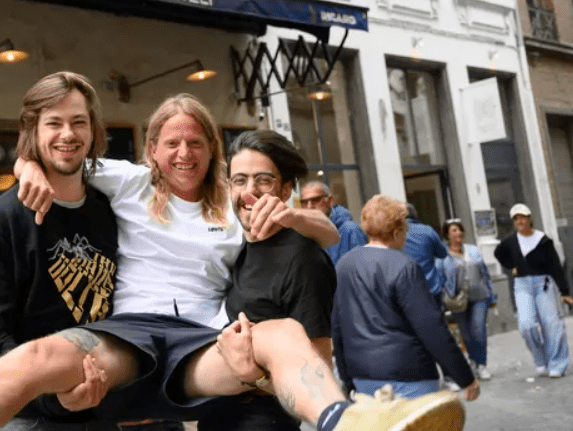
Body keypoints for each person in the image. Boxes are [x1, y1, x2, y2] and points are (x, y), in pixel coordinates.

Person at [0, 94, 468, 431]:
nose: (183, 153)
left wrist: (289, 215)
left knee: (279, 333)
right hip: (127, 332)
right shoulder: (129, 183)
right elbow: (61, 151)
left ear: (211, 150)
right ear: (153, 151)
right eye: (170, 142)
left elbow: (328, 233)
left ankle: (344, 421)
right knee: (42, 354)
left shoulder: (234, 206)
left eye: (196, 142)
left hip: (203, 341)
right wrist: (25, 165)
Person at [0, 71, 119, 430]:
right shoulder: (2, 222)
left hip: (107, 412)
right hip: (32, 418)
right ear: (33, 132)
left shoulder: (111, 209)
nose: (68, 134)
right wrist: (54, 398)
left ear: (93, 130)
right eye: (54, 123)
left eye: (79, 122)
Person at [197, 130, 337, 431]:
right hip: (216, 417)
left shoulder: (303, 259)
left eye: (263, 180)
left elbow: (319, 376)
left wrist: (254, 376)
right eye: (240, 180)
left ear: (285, 190)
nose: (250, 191)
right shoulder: (233, 244)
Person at [333, 195, 480, 401]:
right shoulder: (403, 265)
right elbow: (430, 326)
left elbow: (338, 326)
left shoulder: (344, 265)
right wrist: (464, 377)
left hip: (362, 375)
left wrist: (347, 378)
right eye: (405, 230)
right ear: (396, 232)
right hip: (408, 373)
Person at [494, 203, 573, 378]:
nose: (520, 221)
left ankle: (557, 364)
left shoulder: (542, 240)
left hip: (543, 284)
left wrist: (565, 291)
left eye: (522, 217)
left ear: (529, 219)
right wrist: (511, 266)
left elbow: (555, 265)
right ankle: (540, 360)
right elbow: (498, 253)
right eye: (516, 218)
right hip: (522, 286)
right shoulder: (510, 241)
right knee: (526, 326)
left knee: (552, 325)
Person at [438, 218, 496, 381]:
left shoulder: (473, 250)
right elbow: (440, 279)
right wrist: (443, 302)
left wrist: (492, 295)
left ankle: (481, 364)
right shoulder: (443, 256)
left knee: (478, 330)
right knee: (466, 334)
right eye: (454, 230)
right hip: (458, 301)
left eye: (460, 229)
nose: (459, 233)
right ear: (447, 235)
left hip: (480, 296)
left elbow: (485, 273)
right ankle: (473, 361)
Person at [299, 181, 367, 266]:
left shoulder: (351, 231)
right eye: (304, 202)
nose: (309, 207)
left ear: (330, 200)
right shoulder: (303, 236)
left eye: (315, 200)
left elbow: (362, 269)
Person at [402, 204, 448, 308]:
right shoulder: (427, 231)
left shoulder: (394, 235)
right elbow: (442, 253)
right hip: (430, 288)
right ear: (415, 214)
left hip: (406, 290)